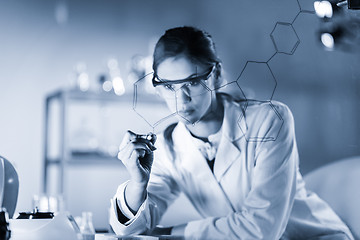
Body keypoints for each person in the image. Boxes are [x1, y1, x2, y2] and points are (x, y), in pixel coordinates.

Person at [109, 26, 354, 239]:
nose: (180, 99)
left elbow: (262, 229)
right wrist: (138, 183)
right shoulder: (169, 145)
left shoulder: (269, 120)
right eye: (169, 87)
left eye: (193, 82)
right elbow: (130, 230)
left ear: (215, 76)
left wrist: (170, 233)